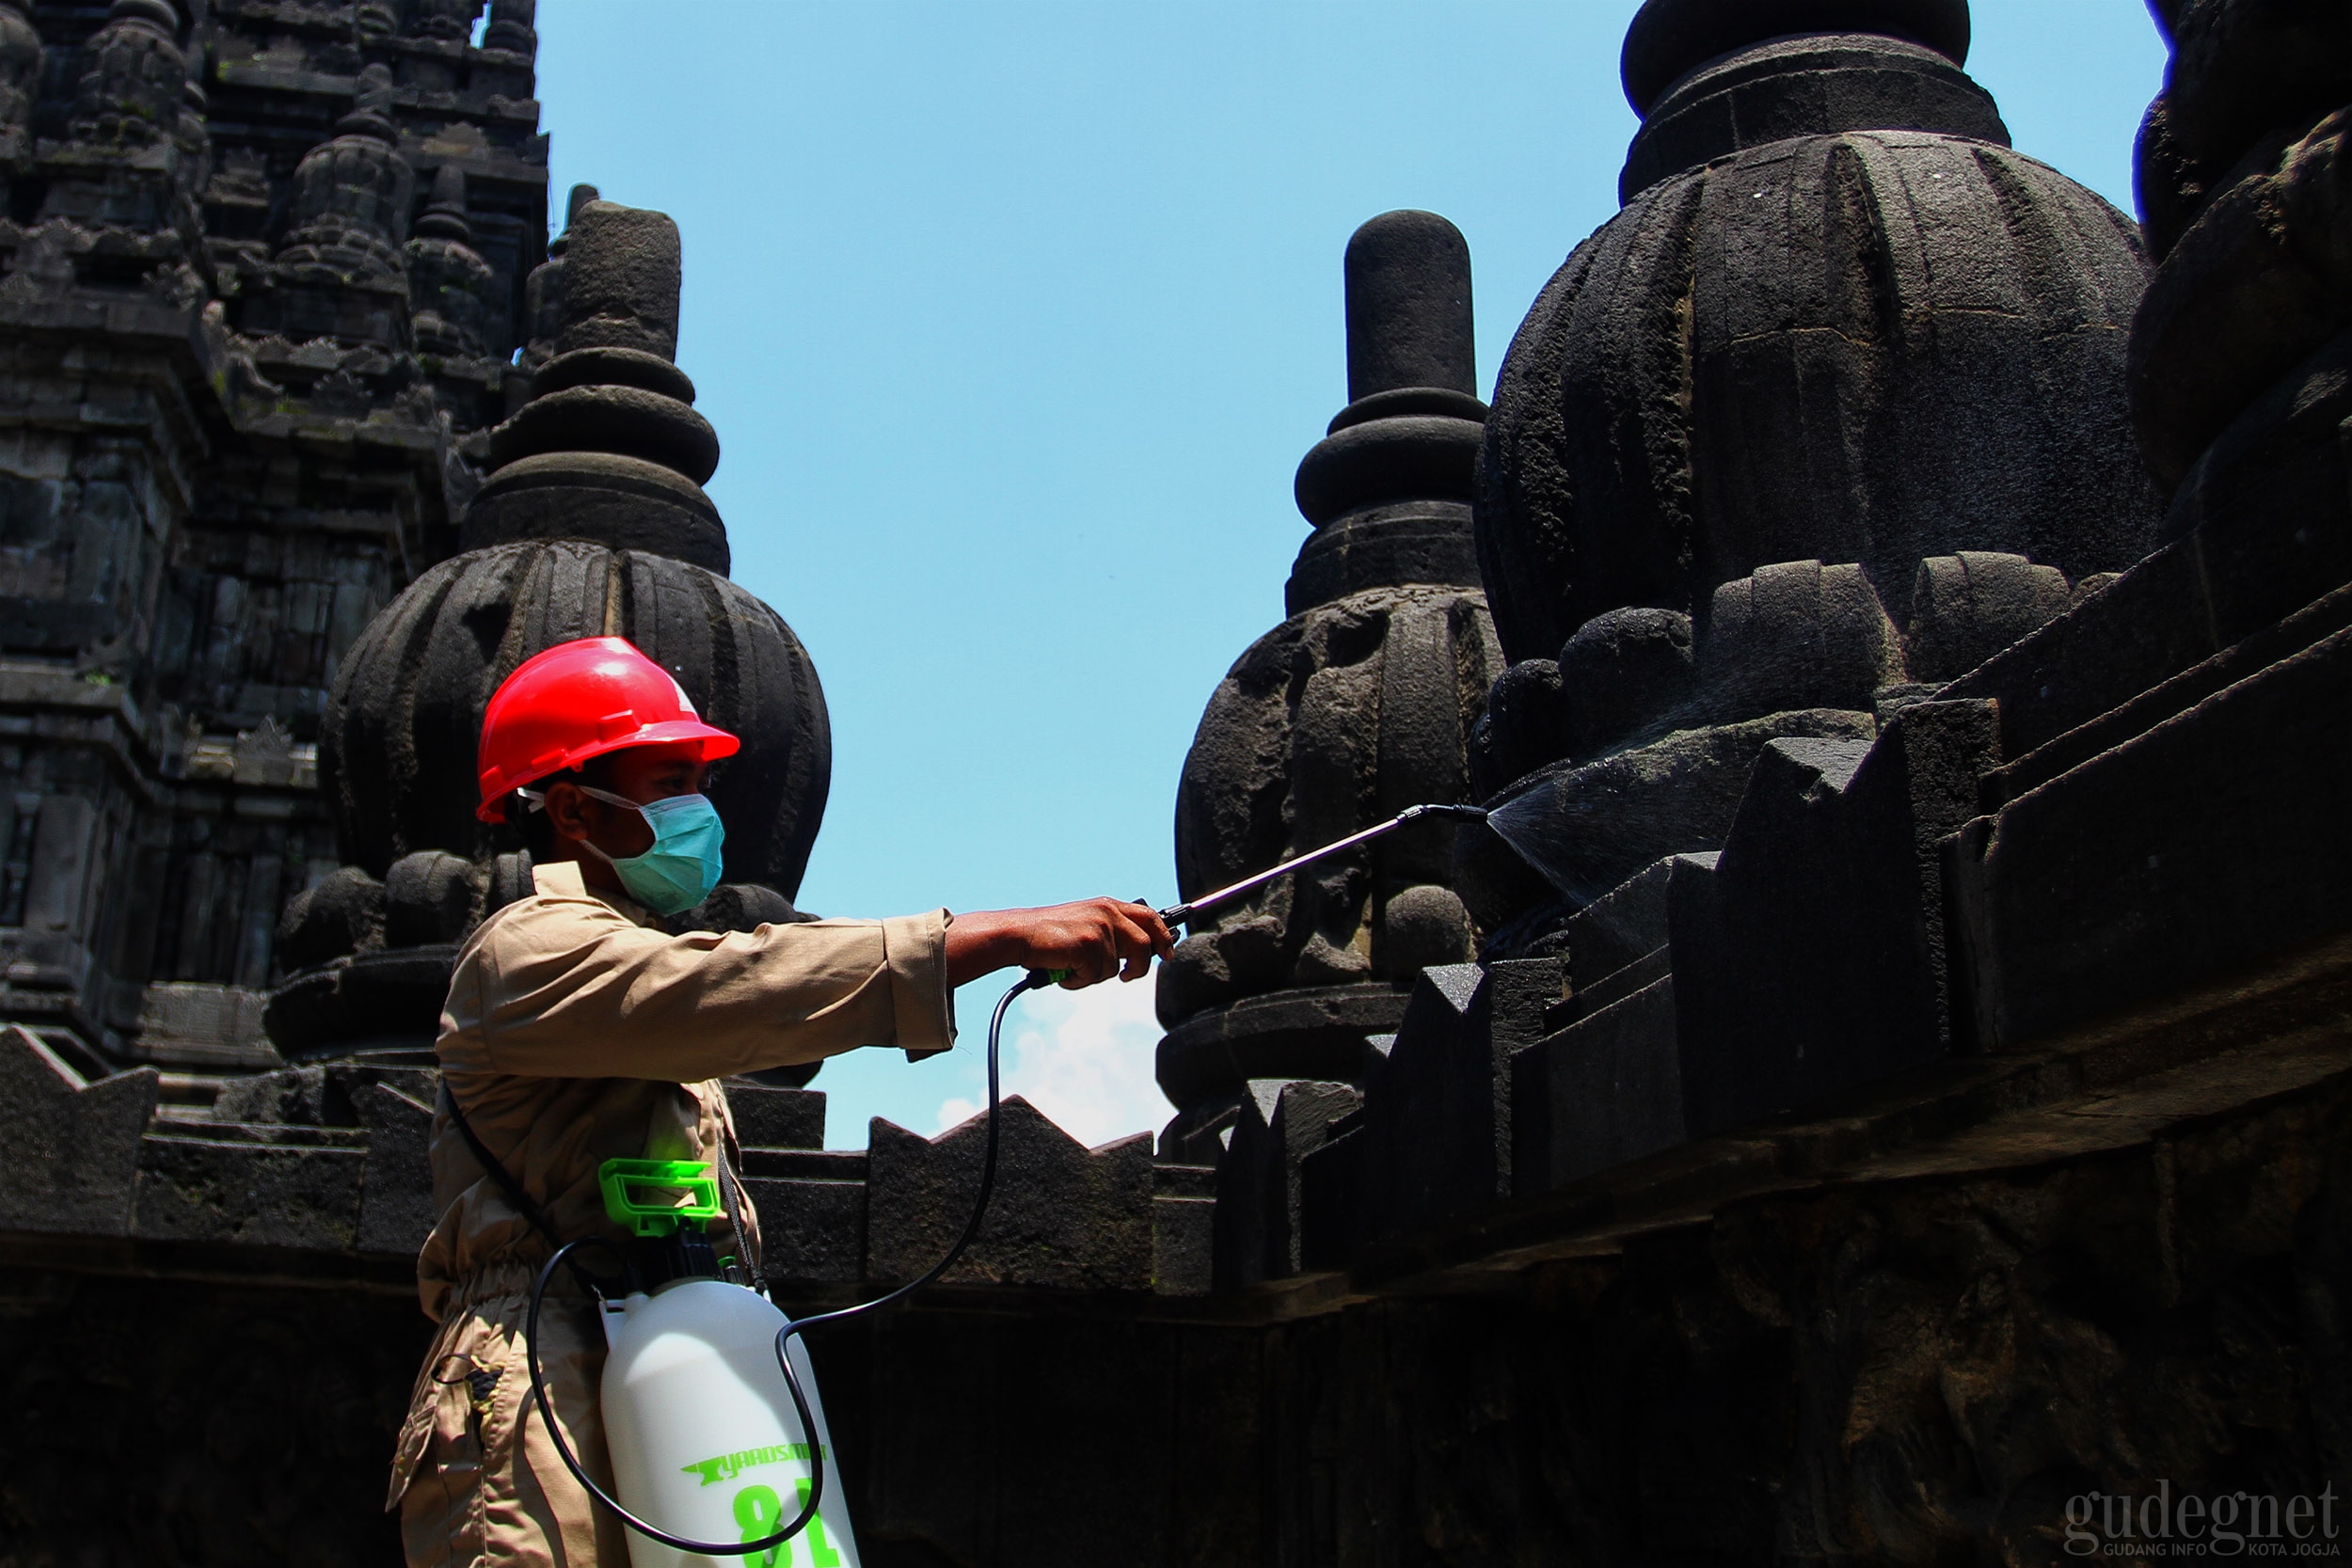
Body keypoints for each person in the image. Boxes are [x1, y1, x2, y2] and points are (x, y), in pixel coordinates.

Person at [387, 636, 1170, 1568]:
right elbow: (743, 986)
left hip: (678, 1356)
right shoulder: (527, 951)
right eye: (669, 779)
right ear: (568, 806)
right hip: (539, 1381)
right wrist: (990, 935)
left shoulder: (638, 952)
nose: (699, 810)